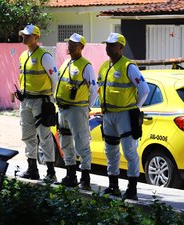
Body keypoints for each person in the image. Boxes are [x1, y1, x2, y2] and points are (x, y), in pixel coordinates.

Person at [97, 33, 150, 200]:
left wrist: (135, 109)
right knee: (110, 151)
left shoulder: (129, 66)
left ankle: (132, 189)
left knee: (129, 152)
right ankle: (113, 186)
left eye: (112, 45)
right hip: (108, 115)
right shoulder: (105, 66)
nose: (108, 47)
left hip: (125, 115)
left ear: (121, 47)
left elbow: (144, 90)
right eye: (107, 44)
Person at [55, 33, 98, 190]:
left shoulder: (86, 66)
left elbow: (94, 90)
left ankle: (85, 177)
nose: (70, 46)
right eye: (69, 44)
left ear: (81, 47)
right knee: (65, 143)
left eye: (74, 44)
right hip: (63, 110)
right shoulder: (66, 63)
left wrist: (86, 107)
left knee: (82, 144)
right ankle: (70, 175)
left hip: (77, 110)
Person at [16, 24, 59, 182]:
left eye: (27, 35)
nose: (24, 37)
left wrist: (50, 98)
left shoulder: (44, 56)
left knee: (44, 136)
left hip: (41, 101)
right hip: (26, 100)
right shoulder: (22, 55)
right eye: (23, 35)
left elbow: (55, 78)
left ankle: (50, 172)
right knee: (27, 136)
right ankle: (32, 169)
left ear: (36, 37)